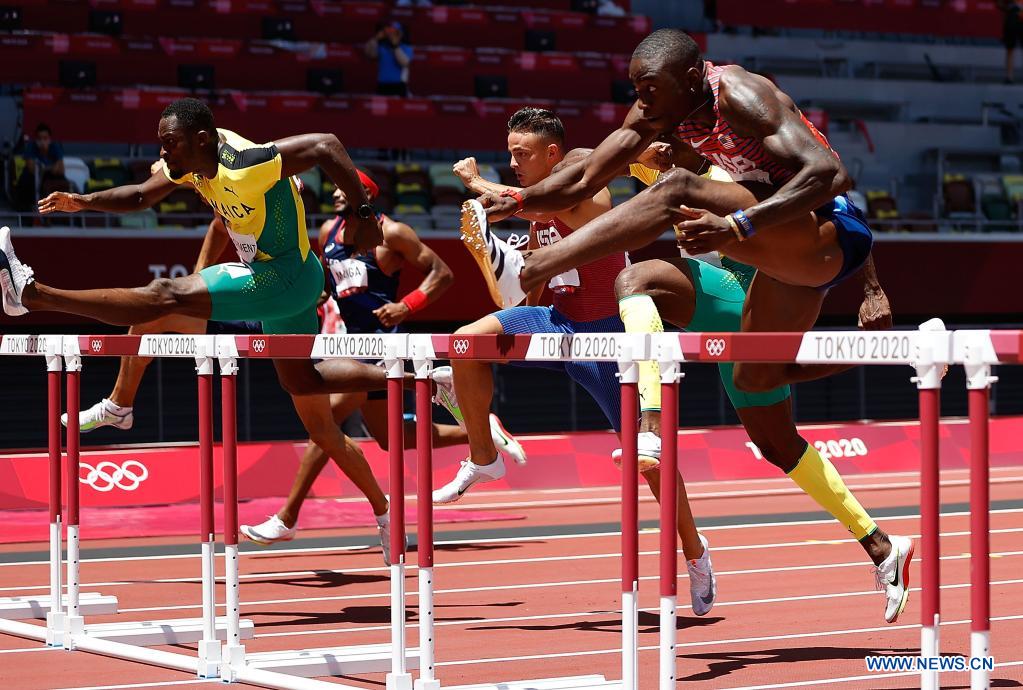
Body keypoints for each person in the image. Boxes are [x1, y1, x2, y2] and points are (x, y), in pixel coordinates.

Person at [460, 28, 914, 623]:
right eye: (637, 94)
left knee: (658, 231)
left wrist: (749, 234)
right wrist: (512, 203)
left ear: (693, 83)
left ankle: (623, 385)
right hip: (760, 275)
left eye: (652, 94)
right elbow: (582, 178)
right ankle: (883, 545)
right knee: (760, 399)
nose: (644, 111)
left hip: (818, 239)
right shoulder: (658, 122)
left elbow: (831, 176)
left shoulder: (744, 103)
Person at [0, 98, 429, 564]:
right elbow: (142, 195)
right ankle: (388, 503)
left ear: (201, 139)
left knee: (162, 296)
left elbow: (326, 144)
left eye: (169, 145)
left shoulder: (247, 163)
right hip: (281, 282)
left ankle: (33, 294)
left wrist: (364, 215)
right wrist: (81, 201)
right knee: (310, 400)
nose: (163, 156)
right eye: (161, 146)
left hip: (284, 276)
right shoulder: (191, 164)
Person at [434, 106, 717, 616]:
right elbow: (536, 276)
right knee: (464, 343)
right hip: (557, 324)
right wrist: (512, 289)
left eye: (522, 154)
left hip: (609, 340)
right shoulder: (536, 212)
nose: (514, 162)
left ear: (552, 155)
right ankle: (484, 455)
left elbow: (545, 208)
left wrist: (480, 184)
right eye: (509, 154)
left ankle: (695, 554)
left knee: (651, 464)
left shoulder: (593, 192)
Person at [616, 149, 912, 624]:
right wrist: (517, 194)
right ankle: (881, 546)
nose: (661, 143)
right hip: (725, 307)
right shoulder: (662, 163)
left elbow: (839, 203)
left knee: (638, 278)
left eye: (671, 134)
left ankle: (650, 420)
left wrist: (872, 288)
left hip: (749, 295)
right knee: (777, 445)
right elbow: (591, 164)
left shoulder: (735, 170)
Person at [241, 173, 525, 545]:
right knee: (392, 438)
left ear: (367, 195)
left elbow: (443, 273)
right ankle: (481, 431)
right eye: (336, 188)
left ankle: (287, 517)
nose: (337, 192)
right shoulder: (328, 231)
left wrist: (406, 305)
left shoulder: (393, 233)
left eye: (345, 188)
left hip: (381, 349)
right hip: (348, 344)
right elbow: (331, 283)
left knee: (324, 427)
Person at [14, 123, 68, 211]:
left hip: (48, 178)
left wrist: (47, 168)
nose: (42, 141)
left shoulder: (55, 147)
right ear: (36, 139)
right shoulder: (31, 147)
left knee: (61, 182)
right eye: (40, 138)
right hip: (33, 179)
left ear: (49, 139)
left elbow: (61, 170)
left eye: (45, 138)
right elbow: (32, 169)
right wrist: (51, 168)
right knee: (27, 179)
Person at [364, 21, 412, 97]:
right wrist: (376, 39)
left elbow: (404, 63)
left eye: (395, 33)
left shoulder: (406, 47)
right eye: (390, 32)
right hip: (382, 85)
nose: (392, 35)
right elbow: (369, 54)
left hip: (399, 86)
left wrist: (395, 47)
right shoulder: (382, 47)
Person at [1001, 1, 1023, 83]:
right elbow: (1000, 3)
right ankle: (1009, 77)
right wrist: (1010, 8)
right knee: (1010, 49)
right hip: (1012, 19)